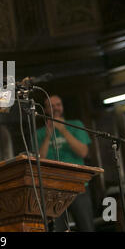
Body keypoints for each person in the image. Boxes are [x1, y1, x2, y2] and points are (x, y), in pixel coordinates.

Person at [36, 95, 95, 232]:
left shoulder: (76, 125)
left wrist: (63, 130)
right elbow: (40, 160)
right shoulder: (39, 133)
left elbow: (83, 152)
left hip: (78, 186)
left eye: (58, 104)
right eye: (51, 106)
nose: (56, 108)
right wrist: (48, 136)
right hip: (53, 191)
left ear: (62, 107)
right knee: (58, 229)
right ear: (45, 110)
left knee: (87, 227)